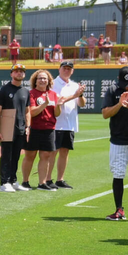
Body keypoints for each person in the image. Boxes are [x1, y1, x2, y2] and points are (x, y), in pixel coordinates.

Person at [104, 66, 128, 219]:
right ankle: (119, 210)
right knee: (118, 174)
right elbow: (105, 114)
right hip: (118, 138)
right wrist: (120, 104)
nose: (127, 86)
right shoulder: (113, 89)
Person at [20, 69, 60, 190]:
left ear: (49, 81)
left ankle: (42, 183)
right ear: (35, 81)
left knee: (46, 155)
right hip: (34, 128)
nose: (43, 80)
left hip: (49, 128)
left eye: (45, 78)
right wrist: (45, 104)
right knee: (30, 155)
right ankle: (25, 181)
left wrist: (58, 105)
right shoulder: (31, 93)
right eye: (40, 78)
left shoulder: (53, 94)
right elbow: (32, 112)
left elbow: (56, 113)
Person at [0, 64, 27, 193]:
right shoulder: (4, 90)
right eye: (16, 71)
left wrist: (28, 126)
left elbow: (27, 111)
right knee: (6, 155)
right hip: (7, 128)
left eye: (22, 71)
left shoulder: (25, 91)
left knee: (16, 156)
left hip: (20, 128)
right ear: (11, 74)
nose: (19, 73)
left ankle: (13, 180)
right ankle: (4, 182)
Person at [50, 60, 83, 189]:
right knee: (53, 152)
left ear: (72, 71)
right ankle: (48, 179)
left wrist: (80, 95)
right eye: (64, 68)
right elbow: (59, 101)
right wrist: (75, 95)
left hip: (70, 124)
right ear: (59, 69)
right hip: (56, 124)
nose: (66, 70)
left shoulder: (75, 85)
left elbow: (81, 104)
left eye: (69, 69)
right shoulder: (53, 84)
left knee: (65, 152)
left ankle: (60, 179)